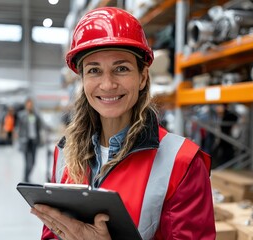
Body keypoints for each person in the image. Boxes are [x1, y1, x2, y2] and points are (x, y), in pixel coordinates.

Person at [30, 7, 215, 240]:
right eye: (94, 70)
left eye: (121, 69)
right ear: (83, 79)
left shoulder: (182, 163)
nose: (107, 84)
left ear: (143, 77)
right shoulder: (64, 152)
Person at [17, 98, 41, 182]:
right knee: (27, 162)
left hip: (34, 141)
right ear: (26, 105)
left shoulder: (35, 115)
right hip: (25, 141)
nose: (30, 106)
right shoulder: (21, 115)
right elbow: (19, 128)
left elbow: (40, 126)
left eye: (31, 105)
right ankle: (26, 178)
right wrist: (19, 140)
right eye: (28, 104)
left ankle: (27, 176)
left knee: (33, 162)